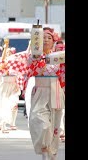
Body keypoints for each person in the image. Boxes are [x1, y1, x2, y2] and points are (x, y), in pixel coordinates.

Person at [22, 27, 65, 160]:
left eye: (49, 38)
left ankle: (51, 154)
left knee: (55, 127)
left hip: (56, 90)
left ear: (54, 41)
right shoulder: (34, 56)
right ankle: (44, 148)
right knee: (39, 121)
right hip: (40, 90)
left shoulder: (59, 57)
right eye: (43, 37)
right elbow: (31, 70)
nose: (46, 40)